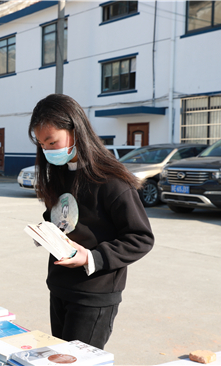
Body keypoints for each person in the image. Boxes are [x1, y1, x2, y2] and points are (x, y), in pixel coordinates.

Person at [29, 94, 154, 350]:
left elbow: (141, 238)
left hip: (94, 295)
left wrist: (90, 258)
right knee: (60, 359)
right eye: (42, 144)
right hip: (61, 287)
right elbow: (64, 219)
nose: (48, 150)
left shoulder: (111, 181)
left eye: (52, 142)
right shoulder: (60, 174)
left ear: (75, 131)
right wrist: (46, 232)